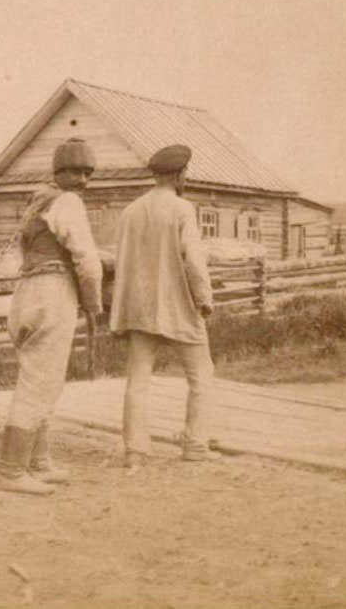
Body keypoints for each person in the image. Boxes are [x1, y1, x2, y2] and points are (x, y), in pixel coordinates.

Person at [0, 138, 103, 495]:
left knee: (44, 379)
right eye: (75, 172)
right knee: (39, 382)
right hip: (52, 294)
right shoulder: (68, 202)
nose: (83, 180)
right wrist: (93, 303)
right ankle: (10, 471)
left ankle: (38, 462)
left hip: (26, 294)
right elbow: (86, 259)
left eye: (88, 173)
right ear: (59, 173)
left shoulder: (36, 203)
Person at [108, 144, 217, 472]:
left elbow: (121, 260)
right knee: (201, 376)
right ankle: (196, 444)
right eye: (185, 174)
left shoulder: (131, 211)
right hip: (177, 305)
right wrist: (204, 298)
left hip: (139, 307)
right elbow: (194, 261)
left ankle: (135, 451)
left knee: (138, 378)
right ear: (180, 175)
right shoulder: (182, 209)